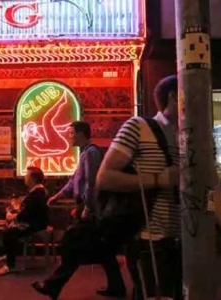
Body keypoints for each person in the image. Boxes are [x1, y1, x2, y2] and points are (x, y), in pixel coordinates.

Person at [96, 75, 181, 299]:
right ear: (174, 97)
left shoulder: (197, 138)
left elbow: (210, 191)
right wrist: (158, 179)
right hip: (151, 241)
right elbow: (104, 178)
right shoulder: (139, 126)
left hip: (189, 241)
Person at [32, 121, 126, 299]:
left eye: (72, 133)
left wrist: (88, 208)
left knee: (71, 244)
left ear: (82, 134)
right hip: (87, 207)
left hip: (91, 209)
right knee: (103, 250)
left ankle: (53, 285)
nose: (69, 137)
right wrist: (57, 196)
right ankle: (117, 287)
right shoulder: (84, 153)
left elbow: (92, 183)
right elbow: (74, 180)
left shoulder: (91, 153)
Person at [0, 166, 48, 276]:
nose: (24, 178)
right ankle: (10, 254)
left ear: (33, 179)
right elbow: (27, 210)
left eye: (26, 175)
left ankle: (10, 265)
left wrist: (13, 216)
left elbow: (27, 213)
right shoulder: (37, 191)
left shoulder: (37, 193)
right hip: (33, 221)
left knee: (9, 233)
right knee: (9, 229)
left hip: (35, 224)